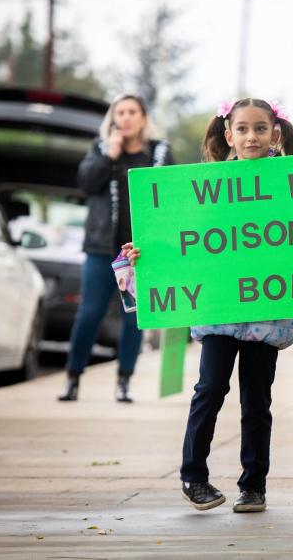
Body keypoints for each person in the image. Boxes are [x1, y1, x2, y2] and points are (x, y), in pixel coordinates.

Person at [124, 97, 293, 513]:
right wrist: (146, 253)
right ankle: (193, 476)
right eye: (242, 129)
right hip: (218, 310)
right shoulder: (206, 184)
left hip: (267, 314)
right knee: (210, 389)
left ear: (275, 132)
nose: (251, 136)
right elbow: (184, 236)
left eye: (260, 128)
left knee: (257, 400)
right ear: (228, 135)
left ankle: (253, 485)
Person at [58, 95, 173, 403]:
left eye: (132, 112)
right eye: (119, 112)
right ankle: (73, 377)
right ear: (113, 118)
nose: (125, 117)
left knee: (134, 317)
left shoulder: (159, 153)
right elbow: (86, 184)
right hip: (101, 248)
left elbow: (170, 194)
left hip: (139, 254)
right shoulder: (100, 149)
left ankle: (124, 380)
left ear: (143, 118)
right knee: (90, 313)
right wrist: (110, 154)